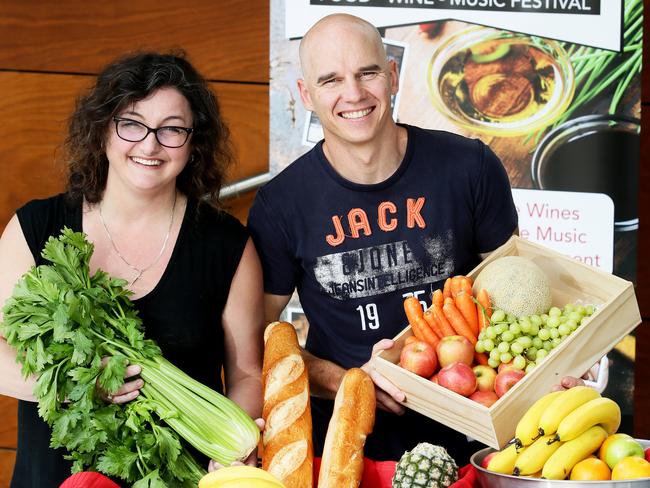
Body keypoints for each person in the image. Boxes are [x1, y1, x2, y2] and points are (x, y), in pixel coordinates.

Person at [247, 13, 519, 464]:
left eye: (367, 73)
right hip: (348, 444)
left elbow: (517, 292)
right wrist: (347, 381)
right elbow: (260, 335)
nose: (353, 95)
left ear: (392, 75)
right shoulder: (281, 205)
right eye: (331, 80)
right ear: (306, 95)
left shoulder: (470, 168)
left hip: (475, 428)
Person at [0, 52, 264, 486]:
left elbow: (247, 373)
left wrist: (236, 448)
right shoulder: (35, 227)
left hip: (181, 476)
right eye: (132, 123)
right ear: (103, 129)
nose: (149, 145)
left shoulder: (228, 246)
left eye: (172, 129)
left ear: (194, 142)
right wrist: (77, 387)